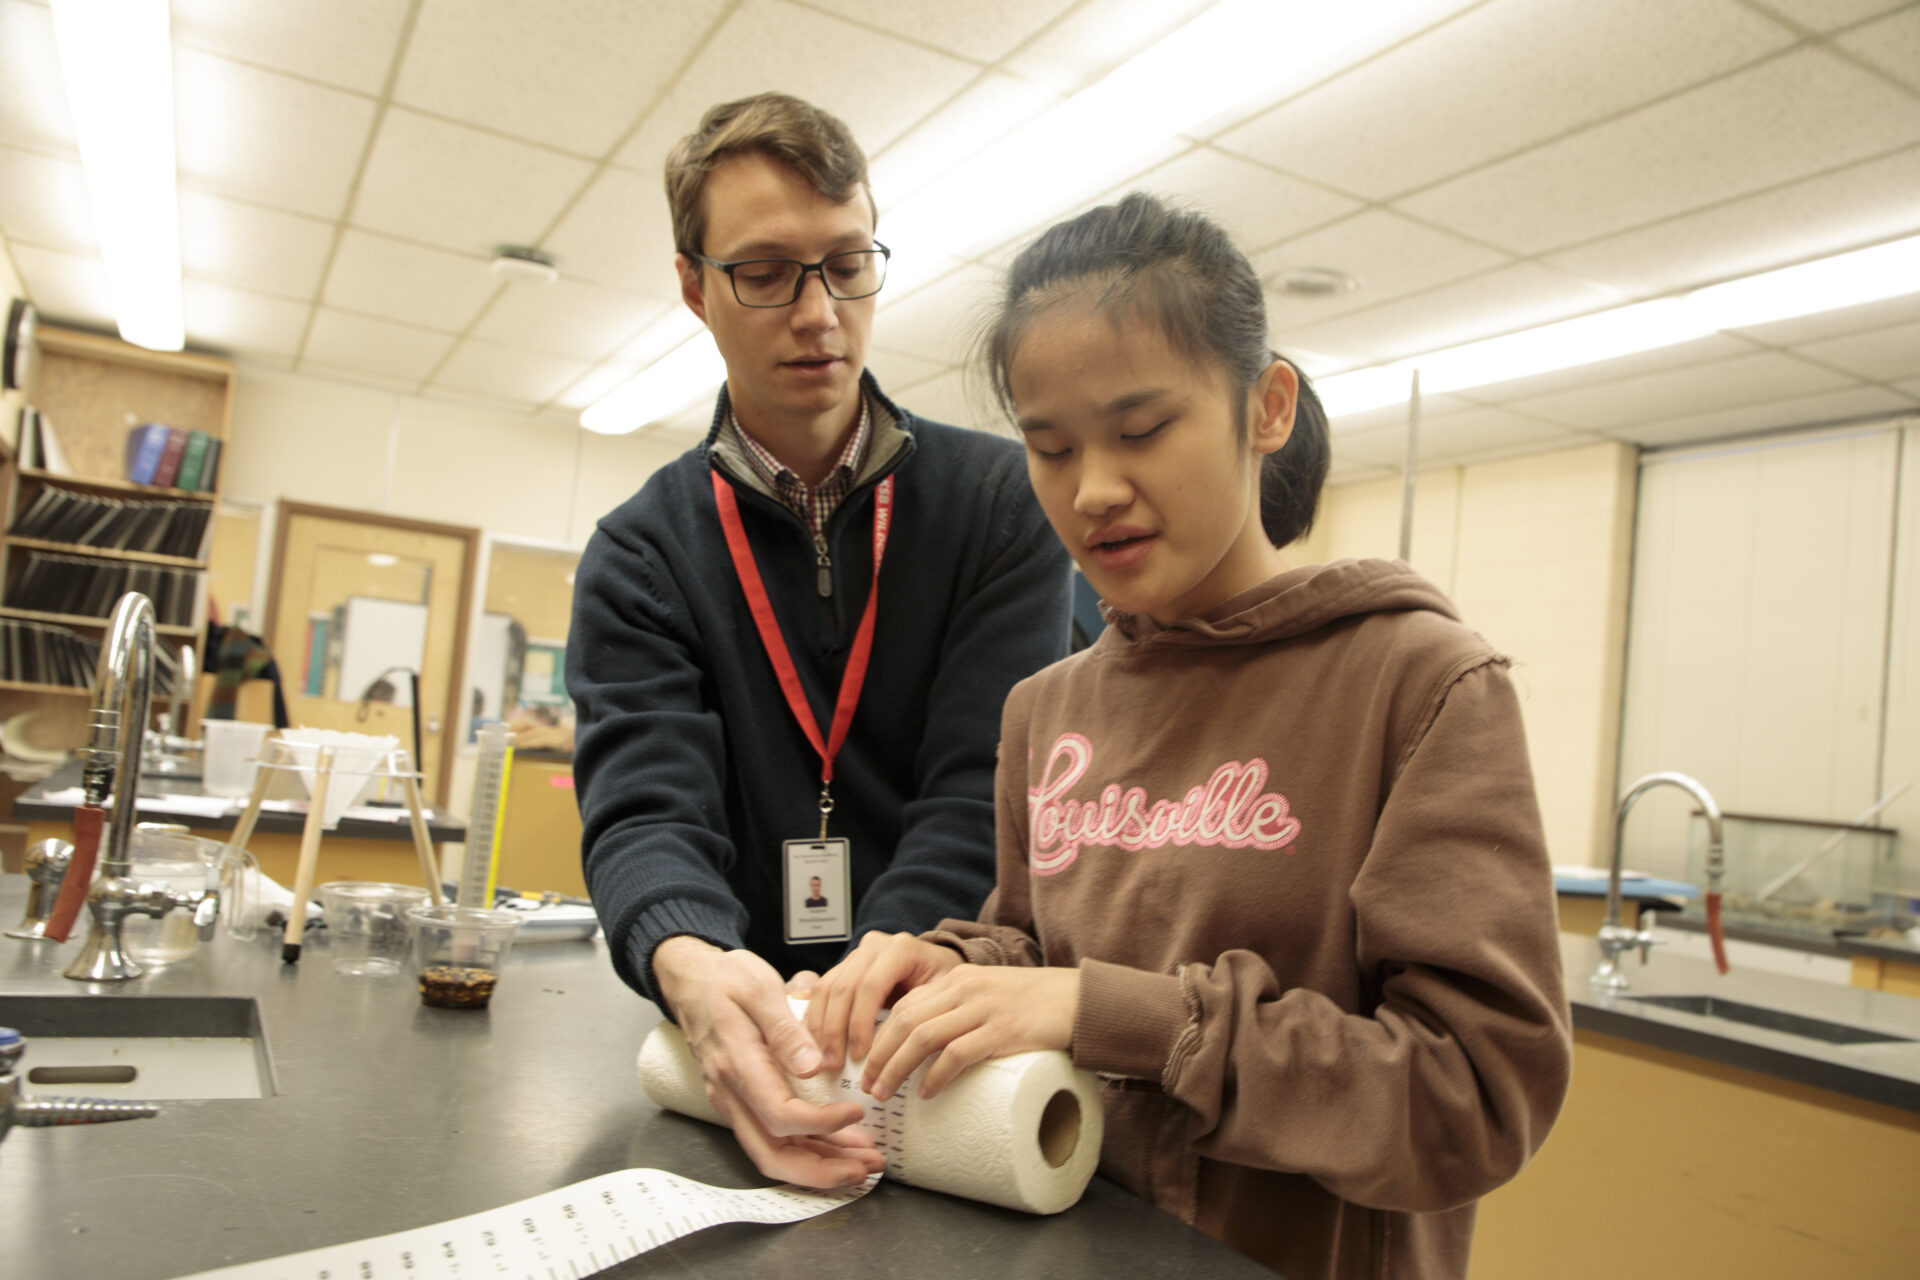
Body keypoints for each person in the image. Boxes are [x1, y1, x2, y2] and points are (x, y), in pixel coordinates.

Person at [803, 193, 1571, 1278]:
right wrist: (944, 967)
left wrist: (1111, 1012)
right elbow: (1033, 944)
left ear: (1265, 407)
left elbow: (1471, 1099)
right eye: (1051, 446)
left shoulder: (1420, 684)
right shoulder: (1047, 708)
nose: (1094, 490)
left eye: (1142, 429)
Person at [567, 93, 1072, 1190]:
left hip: (939, 1034)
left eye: (848, 264)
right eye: (766, 270)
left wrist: (879, 968)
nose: (818, 312)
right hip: (735, 1045)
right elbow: (646, 807)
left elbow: (980, 784)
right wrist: (685, 955)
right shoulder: (640, 553)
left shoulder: (1001, 505)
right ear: (694, 286)